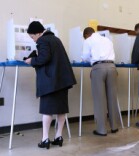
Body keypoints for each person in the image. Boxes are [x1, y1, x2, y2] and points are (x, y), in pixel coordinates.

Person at [25, 21, 76, 149]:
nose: (33, 40)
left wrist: (31, 60)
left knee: (47, 110)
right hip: (62, 81)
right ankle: (58, 137)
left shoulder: (43, 40)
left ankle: (45, 139)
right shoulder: (55, 39)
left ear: (38, 33)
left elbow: (44, 58)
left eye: (32, 37)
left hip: (51, 82)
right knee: (61, 110)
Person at [82, 27, 119, 136]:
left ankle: (102, 130)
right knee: (112, 98)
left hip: (98, 68)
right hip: (112, 67)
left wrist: (91, 61)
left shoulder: (88, 40)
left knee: (100, 100)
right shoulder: (107, 40)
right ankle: (114, 127)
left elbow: (85, 57)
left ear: (86, 35)